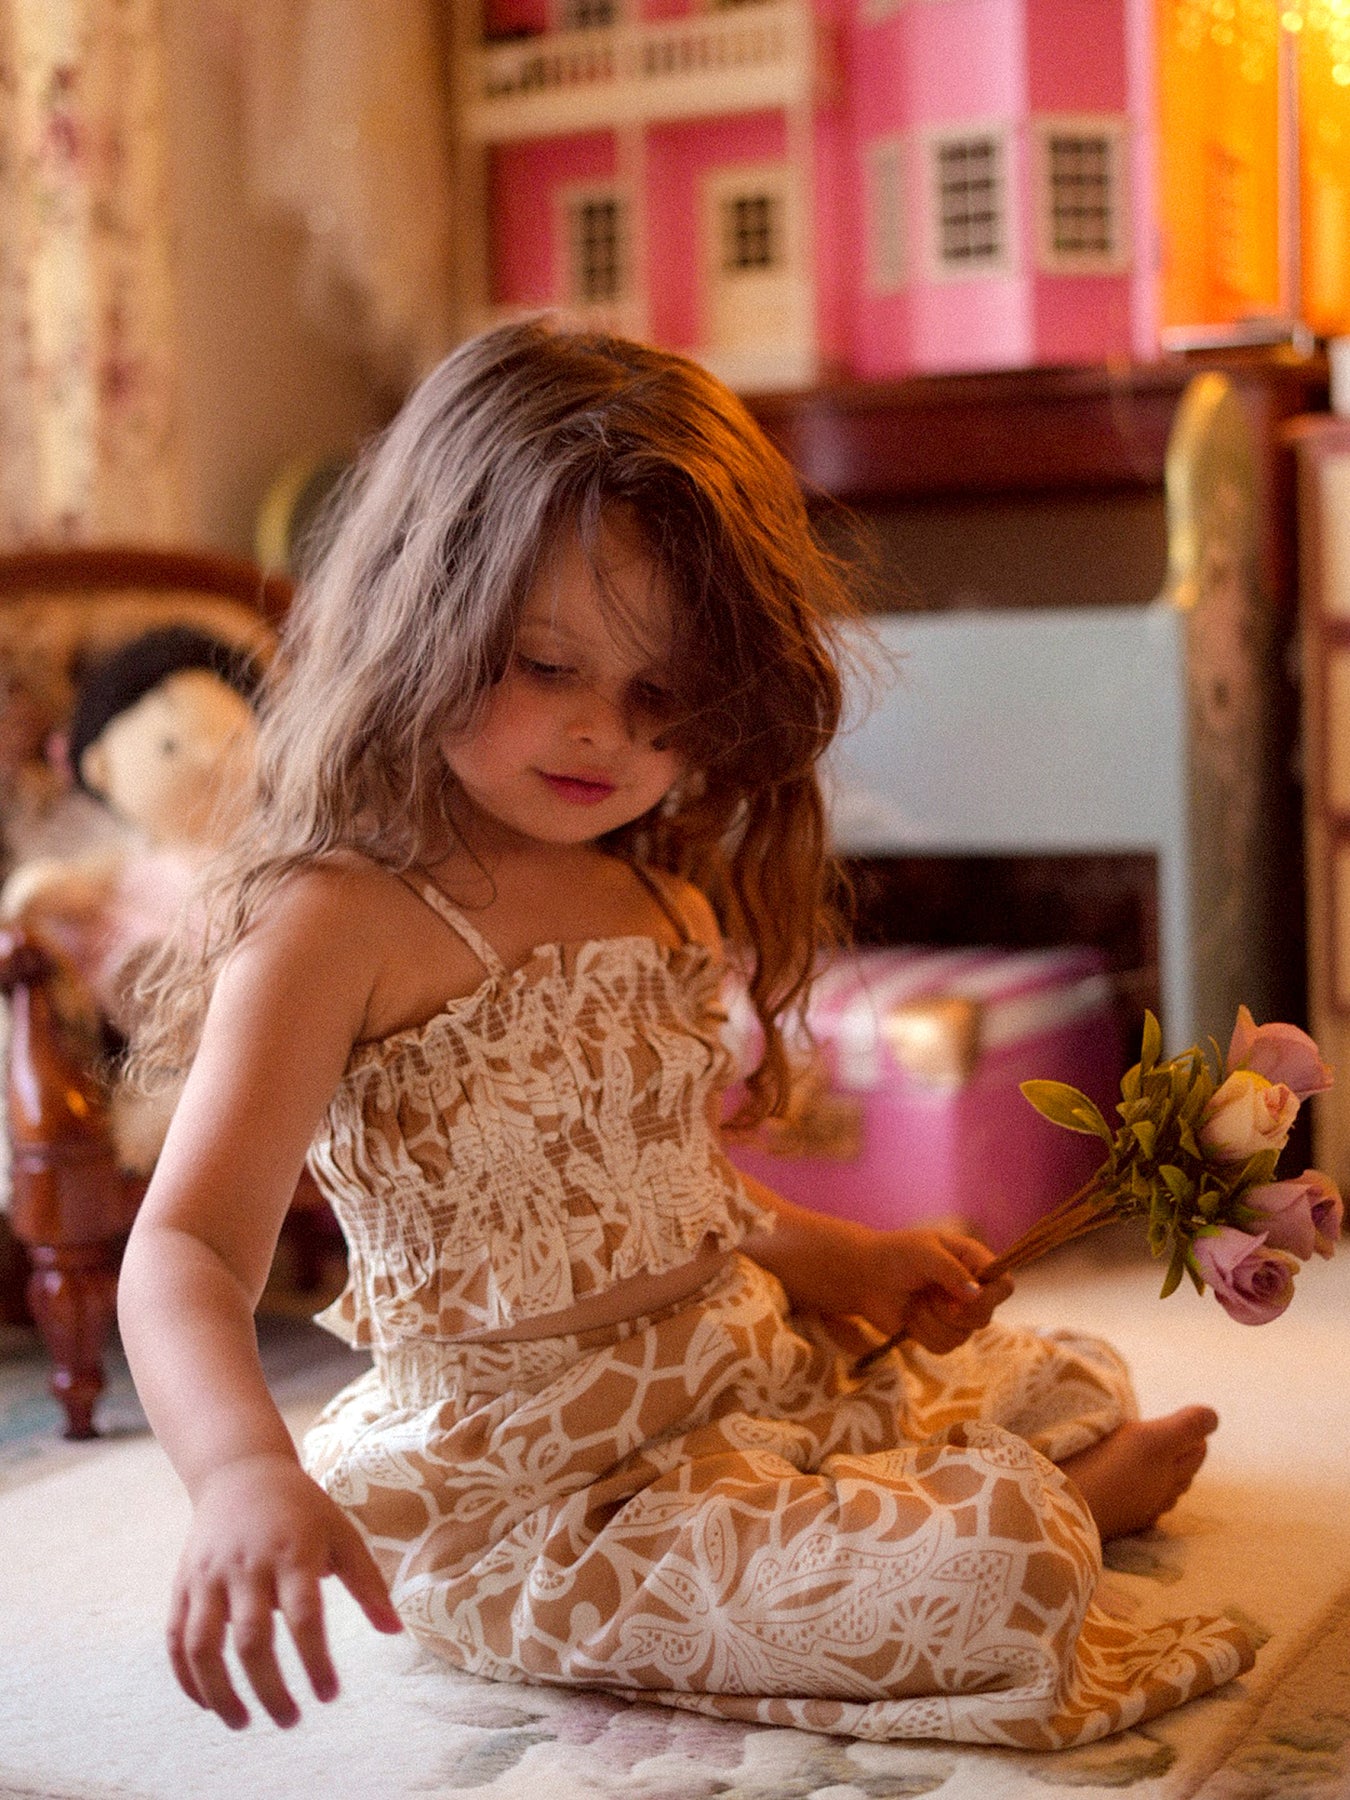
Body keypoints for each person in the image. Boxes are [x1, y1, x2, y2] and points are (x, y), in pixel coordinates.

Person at [117, 318, 1251, 1752]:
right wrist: (238, 1472)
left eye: (659, 696)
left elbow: (671, 1195)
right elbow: (185, 1250)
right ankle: (1029, 1527)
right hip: (533, 1491)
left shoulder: (660, 900)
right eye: (543, 665)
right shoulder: (337, 919)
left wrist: (850, 1261)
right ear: (425, 614)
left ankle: (954, 1506)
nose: (602, 732)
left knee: (1068, 1375)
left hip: (728, 1381)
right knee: (988, 1562)